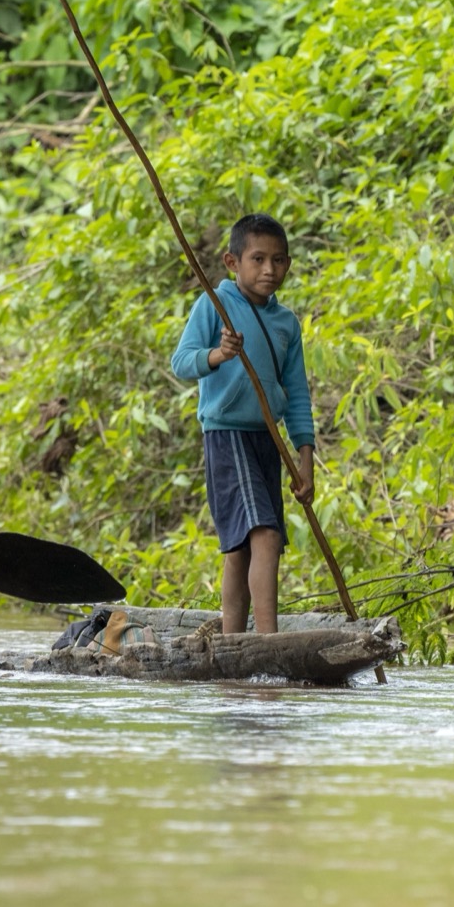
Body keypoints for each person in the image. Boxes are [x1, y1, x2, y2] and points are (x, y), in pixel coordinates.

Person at [170, 213, 315, 635]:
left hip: (267, 440)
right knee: (263, 535)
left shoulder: (286, 322)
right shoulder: (214, 305)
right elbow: (182, 361)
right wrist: (217, 355)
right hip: (227, 434)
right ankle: (267, 642)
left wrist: (304, 459)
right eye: (258, 259)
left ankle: (234, 642)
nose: (269, 269)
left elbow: (298, 395)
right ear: (232, 263)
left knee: (241, 550)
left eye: (279, 260)